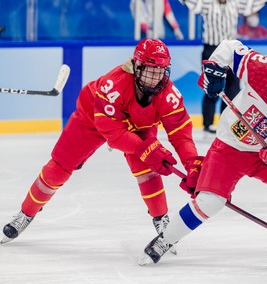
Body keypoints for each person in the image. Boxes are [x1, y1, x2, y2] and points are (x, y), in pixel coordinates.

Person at [138, 40, 267, 270]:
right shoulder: (263, 70)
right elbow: (229, 47)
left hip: (261, 153)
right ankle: (163, 241)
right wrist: (215, 68)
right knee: (210, 202)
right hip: (228, 148)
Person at [1, 39, 203, 244]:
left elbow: (181, 134)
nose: (155, 78)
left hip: (140, 125)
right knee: (59, 167)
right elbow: (114, 134)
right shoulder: (113, 85)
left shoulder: (168, 94)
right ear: (137, 66)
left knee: (147, 171)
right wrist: (144, 147)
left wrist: (192, 164)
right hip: (91, 119)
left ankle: (161, 220)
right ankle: (26, 213)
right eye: (151, 71)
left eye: (160, 71)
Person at [164, 0, 267, 135]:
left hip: (231, 50)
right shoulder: (208, 3)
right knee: (213, 86)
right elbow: (193, 0)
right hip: (212, 49)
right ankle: (207, 123)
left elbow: (253, 2)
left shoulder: (235, 3)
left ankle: (225, 122)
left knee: (233, 88)